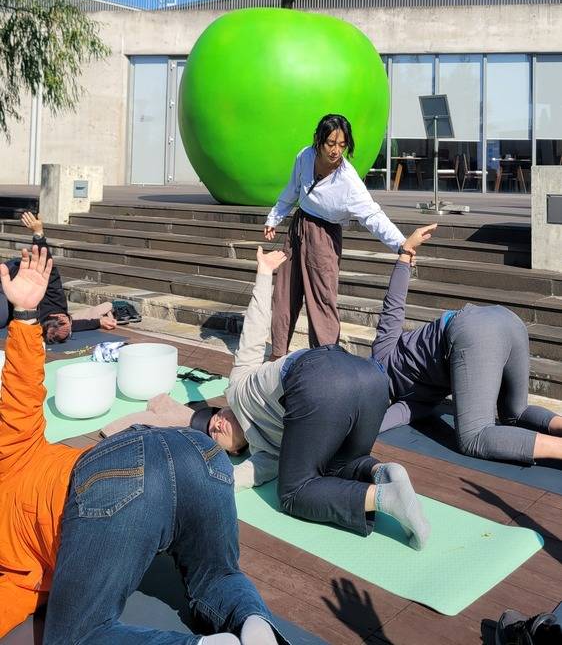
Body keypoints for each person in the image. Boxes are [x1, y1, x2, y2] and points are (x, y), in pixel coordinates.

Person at [0, 245, 289, 645]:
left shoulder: (14, 565)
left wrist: (26, 317)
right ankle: (254, 626)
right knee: (219, 575)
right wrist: (25, 318)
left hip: (116, 480)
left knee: (74, 637)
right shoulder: (14, 451)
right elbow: (20, 389)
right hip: (195, 451)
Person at [106, 246, 430, 549]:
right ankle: (382, 473)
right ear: (239, 449)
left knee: (292, 494)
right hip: (370, 380)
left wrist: (264, 273)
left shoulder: (237, 384)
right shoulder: (268, 456)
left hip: (318, 373)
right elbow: (231, 479)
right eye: (218, 439)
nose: (215, 425)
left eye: (213, 422)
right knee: (338, 465)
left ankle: (386, 499)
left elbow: (254, 330)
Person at [373, 225, 562, 465]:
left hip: (472, 335)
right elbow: (393, 305)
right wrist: (405, 253)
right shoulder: (405, 397)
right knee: (515, 413)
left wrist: (405, 253)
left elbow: (375, 423)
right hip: (508, 321)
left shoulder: (382, 360)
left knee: (473, 437)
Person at [264, 114, 410, 357]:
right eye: (331, 143)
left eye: (342, 145)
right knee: (285, 294)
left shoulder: (348, 179)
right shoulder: (305, 156)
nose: (336, 150)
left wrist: (401, 244)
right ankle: (277, 354)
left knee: (322, 299)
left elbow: (372, 215)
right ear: (318, 140)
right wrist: (274, 218)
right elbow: (292, 190)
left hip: (325, 236)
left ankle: (326, 359)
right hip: (299, 227)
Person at [0, 211, 137, 343]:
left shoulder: (38, 323)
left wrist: (99, 322)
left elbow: (72, 325)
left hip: (13, 292)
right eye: (69, 323)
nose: (69, 321)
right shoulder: (56, 301)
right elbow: (48, 265)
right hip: (16, 273)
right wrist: (38, 235)